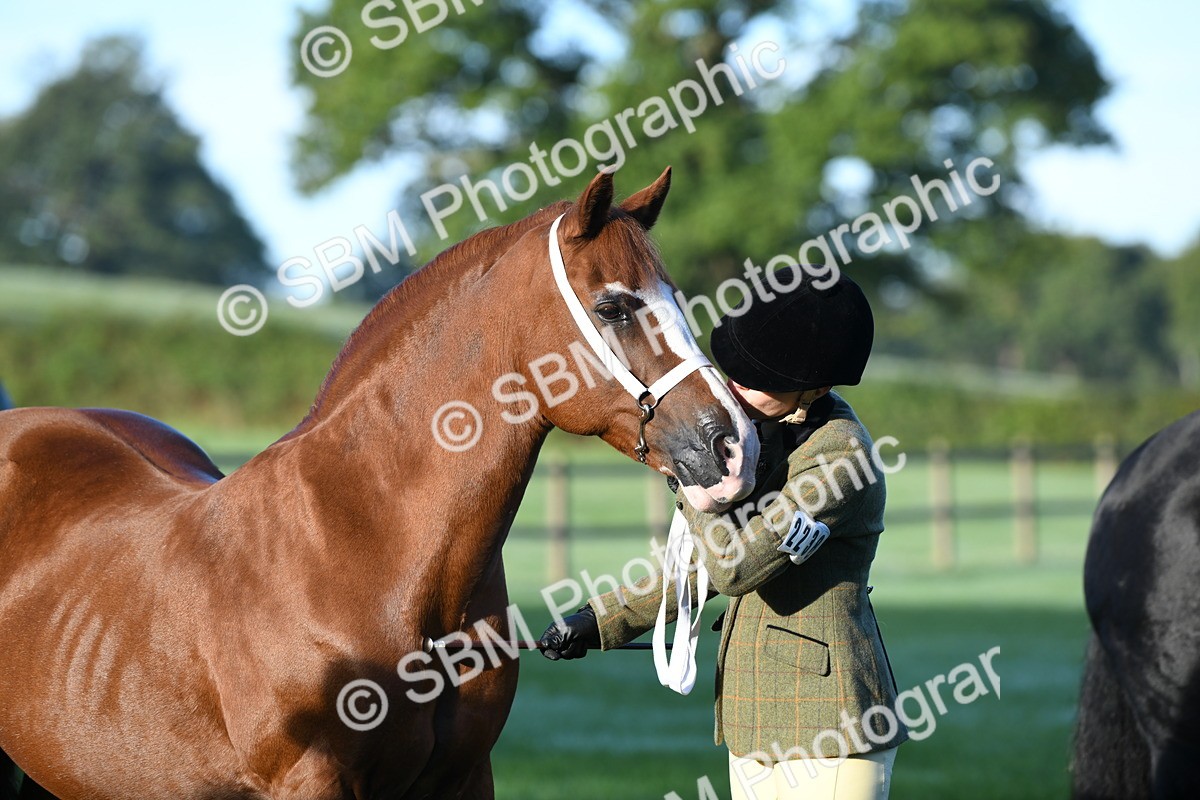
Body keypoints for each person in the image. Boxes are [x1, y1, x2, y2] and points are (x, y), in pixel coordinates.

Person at [539, 267, 907, 800]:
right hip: (751, 718)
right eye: (735, 373)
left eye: (758, 381)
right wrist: (600, 620)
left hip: (834, 722)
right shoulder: (766, 438)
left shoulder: (838, 456)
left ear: (816, 387)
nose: (736, 389)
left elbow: (736, 567)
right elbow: (700, 568)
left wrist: (697, 481)